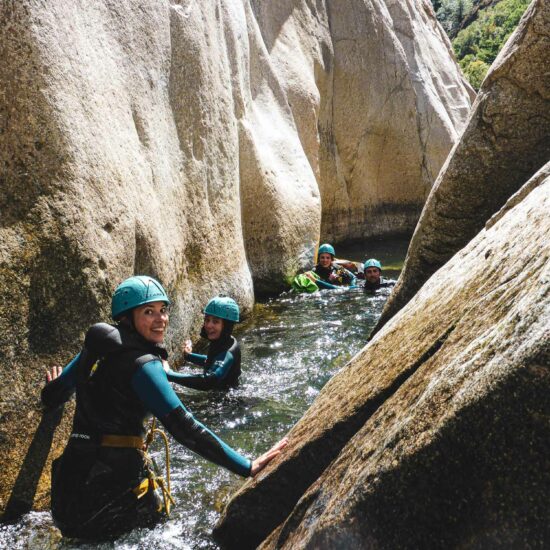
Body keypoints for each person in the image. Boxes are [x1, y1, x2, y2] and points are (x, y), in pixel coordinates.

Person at [41, 276, 287, 541]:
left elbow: (56, 392)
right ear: (127, 317)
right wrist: (246, 466)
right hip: (111, 493)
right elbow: (185, 429)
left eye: (163, 310)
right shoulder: (145, 366)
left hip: (68, 488)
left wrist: (51, 390)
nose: (161, 319)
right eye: (149, 312)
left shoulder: (98, 347)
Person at [165, 296, 242, 391]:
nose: (209, 325)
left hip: (227, 403)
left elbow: (208, 381)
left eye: (215, 321)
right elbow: (212, 361)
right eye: (207, 319)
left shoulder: (228, 353)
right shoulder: (225, 341)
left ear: (227, 326)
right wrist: (189, 356)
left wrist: (169, 374)